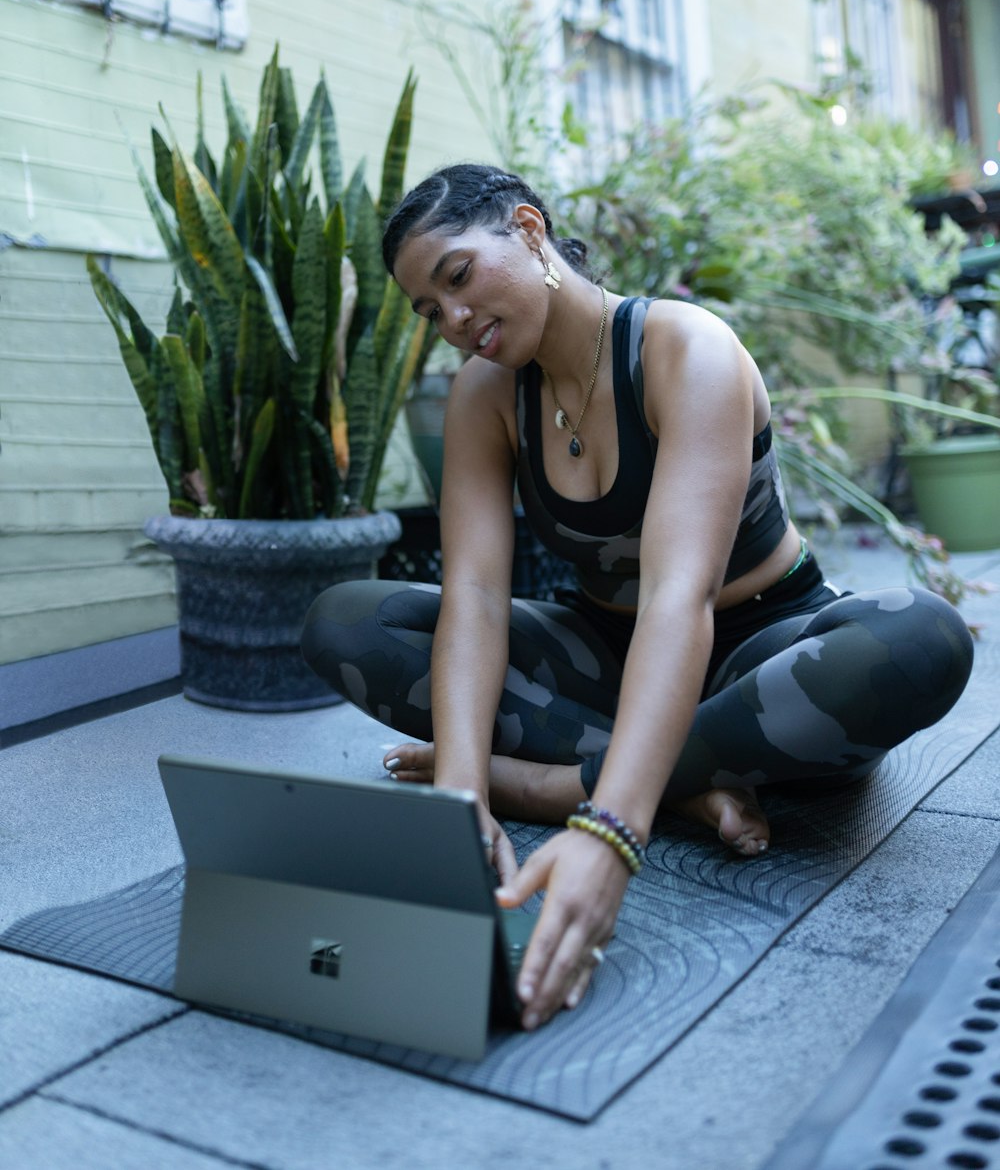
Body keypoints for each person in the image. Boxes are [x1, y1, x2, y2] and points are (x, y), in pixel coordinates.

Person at [301, 163, 974, 1034]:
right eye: (430, 312)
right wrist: (461, 799)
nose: (454, 322)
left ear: (530, 231)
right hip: (605, 656)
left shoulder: (684, 349)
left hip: (755, 650)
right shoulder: (486, 396)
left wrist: (609, 828)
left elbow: (677, 600)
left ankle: (561, 783)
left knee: (922, 640)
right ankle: (689, 781)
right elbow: (471, 595)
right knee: (350, 620)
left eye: (458, 277)